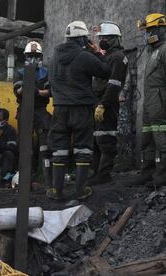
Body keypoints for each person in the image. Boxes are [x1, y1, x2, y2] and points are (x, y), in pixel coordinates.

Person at [47, 21, 111, 200]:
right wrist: (97, 52)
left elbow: (51, 84)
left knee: (59, 149)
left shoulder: (53, 59)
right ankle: (80, 190)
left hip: (59, 109)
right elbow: (105, 71)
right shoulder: (84, 56)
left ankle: (56, 191)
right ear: (82, 38)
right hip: (81, 108)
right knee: (83, 148)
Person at [126, 14, 166, 188]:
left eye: (149, 30)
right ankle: (147, 173)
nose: (146, 34)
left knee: (162, 139)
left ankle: (163, 177)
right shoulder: (153, 51)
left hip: (160, 101)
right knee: (147, 139)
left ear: (159, 30)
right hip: (151, 102)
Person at [89, 22, 128, 185]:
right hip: (99, 100)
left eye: (105, 38)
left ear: (114, 39)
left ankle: (104, 175)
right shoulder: (109, 56)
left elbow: (113, 84)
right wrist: (97, 53)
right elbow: (102, 68)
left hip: (108, 102)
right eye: (101, 38)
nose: (102, 40)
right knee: (97, 139)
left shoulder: (119, 58)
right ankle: (97, 173)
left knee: (106, 139)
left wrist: (103, 104)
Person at [14, 41, 52, 187]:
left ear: (41, 56)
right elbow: (18, 91)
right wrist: (27, 84)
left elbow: (50, 92)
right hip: (25, 110)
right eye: (30, 55)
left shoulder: (45, 72)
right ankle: (25, 180)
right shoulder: (21, 72)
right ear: (25, 56)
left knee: (46, 145)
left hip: (41, 110)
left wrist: (36, 92)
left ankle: (47, 179)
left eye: (36, 56)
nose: (33, 58)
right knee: (25, 146)